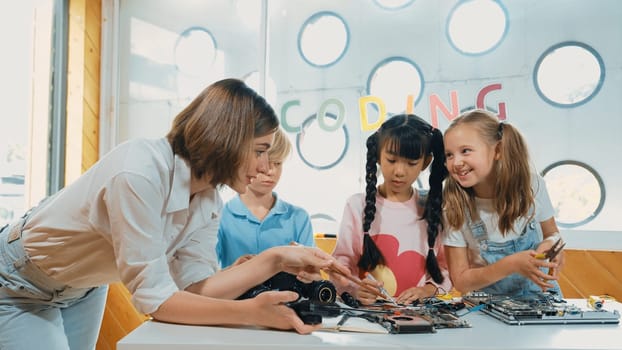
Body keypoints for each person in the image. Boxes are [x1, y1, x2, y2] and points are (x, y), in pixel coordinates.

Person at [0, 78, 348, 350]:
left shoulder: (209, 201)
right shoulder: (140, 171)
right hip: (20, 282)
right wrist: (250, 311)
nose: (264, 167)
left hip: (84, 286)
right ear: (227, 138)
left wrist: (272, 260)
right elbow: (158, 301)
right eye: (260, 151)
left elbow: (194, 288)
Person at [330, 114, 451, 305]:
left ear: (426, 163)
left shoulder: (433, 206)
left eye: (411, 163)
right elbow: (340, 263)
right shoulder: (357, 205)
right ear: (378, 155)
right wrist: (354, 289)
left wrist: (427, 290)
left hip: (418, 316)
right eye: (392, 160)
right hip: (368, 315)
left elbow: (445, 267)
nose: (399, 172)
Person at [442, 109, 564, 297]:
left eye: (465, 151)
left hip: (542, 301)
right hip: (487, 308)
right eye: (449, 155)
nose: (456, 162)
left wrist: (552, 245)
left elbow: (552, 233)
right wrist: (510, 265)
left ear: (497, 150)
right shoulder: (454, 204)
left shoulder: (532, 185)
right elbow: (461, 281)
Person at [216, 128, 314, 268]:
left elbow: (312, 274)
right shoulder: (220, 216)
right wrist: (233, 271)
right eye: (266, 162)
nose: (271, 171)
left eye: (278, 163)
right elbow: (205, 276)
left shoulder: (299, 217)